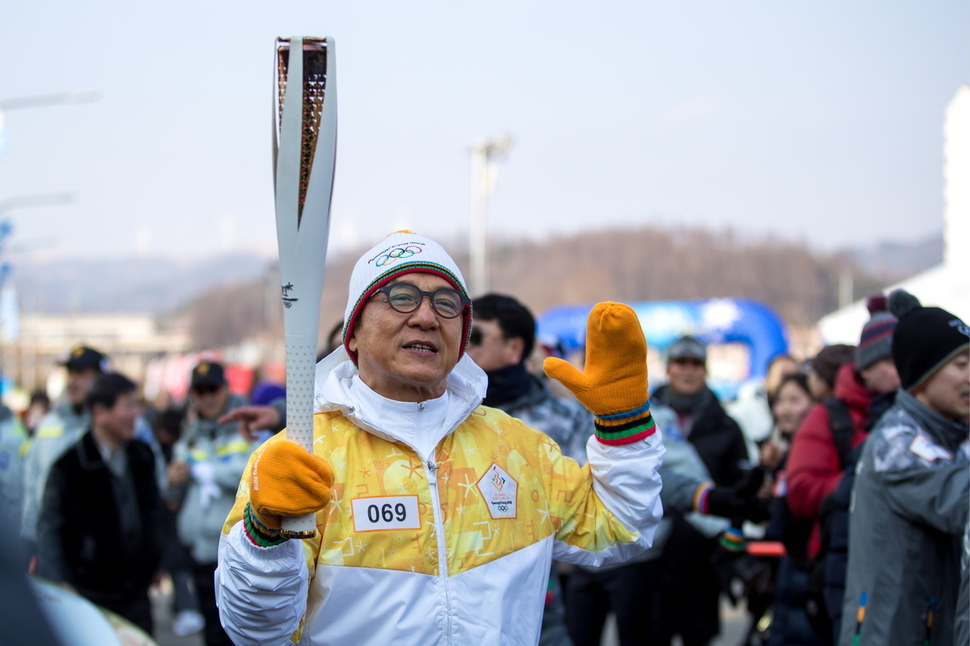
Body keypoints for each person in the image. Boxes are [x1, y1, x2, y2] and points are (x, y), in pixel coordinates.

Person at [215, 230, 665, 646]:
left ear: (462, 333)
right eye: (401, 297)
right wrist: (264, 532)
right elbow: (254, 627)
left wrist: (624, 425)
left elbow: (621, 528)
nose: (427, 317)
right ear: (353, 334)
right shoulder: (300, 455)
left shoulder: (516, 447)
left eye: (447, 303)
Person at [838, 289, 969, 646]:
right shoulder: (897, 444)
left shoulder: (950, 435)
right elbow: (960, 497)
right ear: (924, 375)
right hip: (891, 634)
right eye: (961, 365)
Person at [466, 292, 591, 646]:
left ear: (514, 348)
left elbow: (588, 503)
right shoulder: (442, 415)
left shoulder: (563, 419)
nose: (464, 346)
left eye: (476, 337)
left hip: (537, 594)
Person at [35, 372, 162, 636]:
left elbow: (154, 511)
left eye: (136, 405)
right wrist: (61, 580)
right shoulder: (69, 466)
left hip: (136, 591)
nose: (135, 413)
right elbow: (50, 525)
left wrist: (157, 559)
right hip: (89, 592)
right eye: (127, 406)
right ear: (100, 413)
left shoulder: (142, 455)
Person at [786, 296, 899, 559]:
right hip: (842, 558)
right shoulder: (828, 416)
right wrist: (866, 480)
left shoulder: (919, 411)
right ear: (867, 367)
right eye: (891, 361)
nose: (901, 370)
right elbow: (802, 492)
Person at [167, 360, 257, 646]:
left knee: (241, 633)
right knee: (211, 630)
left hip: (239, 550)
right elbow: (171, 495)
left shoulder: (250, 424)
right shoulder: (190, 434)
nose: (207, 396)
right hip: (201, 552)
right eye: (200, 390)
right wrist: (171, 480)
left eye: (213, 388)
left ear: (226, 389)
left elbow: (256, 473)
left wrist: (212, 473)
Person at [21, 345, 107, 555]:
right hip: (52, 545)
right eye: (70, 373)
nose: (72, 381)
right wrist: (29, 541)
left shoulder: (114, 425)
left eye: (81, 374)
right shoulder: (50, 424)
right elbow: (32, 486)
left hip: (102, 549)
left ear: (100, 378)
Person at [760, 373, 823, 646]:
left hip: (807, 572)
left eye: (794, 400)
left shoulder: (815, 455)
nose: (784, 409)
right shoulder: (784, 453)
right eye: (780, 401)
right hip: (789, 577)